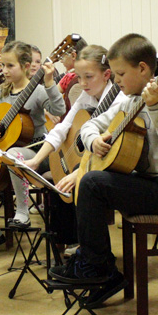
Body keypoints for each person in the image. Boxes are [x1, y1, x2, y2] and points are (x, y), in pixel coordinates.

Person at [49, 33, 158, 308]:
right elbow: (90, 125)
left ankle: (99, 268)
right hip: (148, 181)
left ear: (142, 69)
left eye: (120, 74)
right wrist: (93, 141)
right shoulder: (130, 101)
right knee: (89, 178)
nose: (116, 80)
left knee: (91, 183)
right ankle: (96, 263)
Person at [0, 41, 65, 254]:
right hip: (6, 155)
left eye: (10, 66)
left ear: (26, 66)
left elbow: (58, 109)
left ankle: (23, 212)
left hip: (35, 151)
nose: (4, 70)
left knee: (12, 154)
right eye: (3, 65)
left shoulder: (37, 91)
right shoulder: (2, 92)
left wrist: (49, 83)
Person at [22, 45, 124, 253]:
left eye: (88, 77)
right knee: (55, 176)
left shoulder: (119, 101)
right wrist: (36, 160)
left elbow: (110, 150)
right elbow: (62, 128)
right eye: (79, 77)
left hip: (108, 162)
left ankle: (82, 245)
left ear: (106, 74)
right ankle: (65, 240)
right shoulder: (86, 96)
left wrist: (79, 173)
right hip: (82, 158)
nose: (82, 83)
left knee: (74, 181)